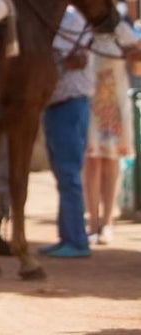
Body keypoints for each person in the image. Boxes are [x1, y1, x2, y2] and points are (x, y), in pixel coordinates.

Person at [38, 5, 94, 258]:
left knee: (69, 173)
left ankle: (77, 240)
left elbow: (76, 59)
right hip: (58, 105)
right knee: (64, 174)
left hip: (70, 104)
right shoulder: (58, 16)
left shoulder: (72, 18)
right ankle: (68, 236)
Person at [83, 26, 138, 245]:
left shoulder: (121, 30)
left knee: (111, 160)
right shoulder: (82, 28)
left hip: (114, 104)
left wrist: (133, 54)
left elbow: (138, 69)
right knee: (91, 161)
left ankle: (107, 222)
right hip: (88, 102)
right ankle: (92, 222)